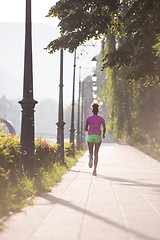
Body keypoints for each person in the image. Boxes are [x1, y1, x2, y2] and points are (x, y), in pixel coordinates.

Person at [85, 103, 106, 176]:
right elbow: (104, 128)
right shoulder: (101, 119)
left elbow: (85, 128)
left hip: (90, 136)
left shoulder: (88, 118)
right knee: (96, 153)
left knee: (91, 152)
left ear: (92, 110)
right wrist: (103, 134)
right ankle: (94, 170)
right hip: (98, 136)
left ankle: (90, 156)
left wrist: (90, 129)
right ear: (98, 111)